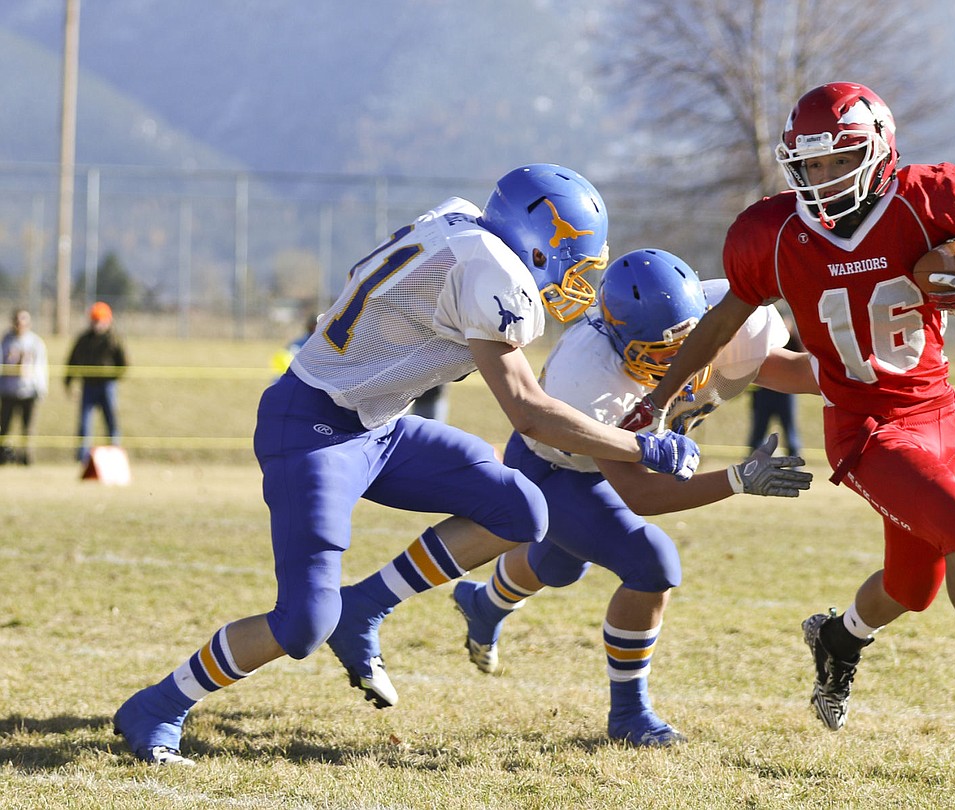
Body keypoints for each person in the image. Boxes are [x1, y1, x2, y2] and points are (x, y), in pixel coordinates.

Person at [113, 163, 702, 765]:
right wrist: (643, 447)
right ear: (539, 244)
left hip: (377, 424)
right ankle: (156, 706)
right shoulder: (494, 274)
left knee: (522, 507)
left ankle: (365, 609)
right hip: (313, 429)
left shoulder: (462, 224)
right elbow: (528, 413)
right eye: (575, 263)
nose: (579, 282)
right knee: (302, 623)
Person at [622, 83, 955, 758]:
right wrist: (659, 399)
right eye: (813, 165)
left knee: (912, 587)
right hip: (863, 427)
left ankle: (838, 639)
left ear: (881, 149)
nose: (825, 178)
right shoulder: (770, 234)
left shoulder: (938, 198)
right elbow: (721, 322)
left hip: (937, 413)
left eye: (840, 160)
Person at [449, 248, 816, 746]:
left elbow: (787, 369)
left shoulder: (728, 320)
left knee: (558, 567)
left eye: (684, 346)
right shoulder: (593, 377)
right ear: (617, 335)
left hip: (612, 468)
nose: (672, 364)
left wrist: (872, 375)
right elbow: (641, 494)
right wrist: (736, 479)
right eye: (654, 353)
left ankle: (485, 604)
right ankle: (629, 714)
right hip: (553, 467)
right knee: (652, 564)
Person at [64, 301, 129, 463]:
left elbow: (124, 362)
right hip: (88, 385)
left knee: (111, 421)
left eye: (100, 320)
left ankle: (115, 453)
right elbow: (72, 360)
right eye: (94, 320)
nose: (97, 324)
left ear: (108, 320)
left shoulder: (114, 339)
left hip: (107, 386)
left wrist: (113, 377)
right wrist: (68, 381)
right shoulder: (84, 339)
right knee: (85, 422)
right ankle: (83, 457)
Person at [0, 308, 50, 465]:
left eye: (23, 320)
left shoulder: (35, 342)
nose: (20, 324)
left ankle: (27, 459)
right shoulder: (6, 341)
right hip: (8, 391)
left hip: (29, 392)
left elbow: (41, 367)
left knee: (28, 430)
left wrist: (41, 389)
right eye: (17, 320)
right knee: (5, 428)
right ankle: (2, 457)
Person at [746, 327, 803, 456]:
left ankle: (795, 466)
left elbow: (801, 355)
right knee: (758, 432)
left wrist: (792, 332)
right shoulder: (760, 339)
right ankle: (752, 465)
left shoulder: (791, 337)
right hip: (763, 391)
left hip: (786, 392)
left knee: (790, 431)